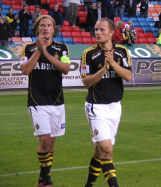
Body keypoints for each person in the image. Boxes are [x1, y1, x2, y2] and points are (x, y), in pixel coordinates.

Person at [81, 18, 132, 187]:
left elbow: (128, 76)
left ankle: (88, 185)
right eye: (96, 29)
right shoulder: (89, 53)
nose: (98, 32)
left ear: (111, 32)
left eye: (102, 30)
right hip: (96, 107)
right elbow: (86, 82)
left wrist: (112, 64)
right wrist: (103, 70)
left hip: (115, 108)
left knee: (99, 150)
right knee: (107, 150)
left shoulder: (123, 52)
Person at [20, 15, 71, 187]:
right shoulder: (27, 48)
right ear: (38, 28)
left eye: (49, 25)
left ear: (53, 29)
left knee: (52, 142)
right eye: (42, 25)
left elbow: (65, 69)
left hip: (57, 101)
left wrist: (46, 52)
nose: (45, 28)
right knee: (44, 139)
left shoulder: (62, 48)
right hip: (37, 101)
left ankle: (42, 177)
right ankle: (48, 180)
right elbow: (25, 70)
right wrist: (38, 51)